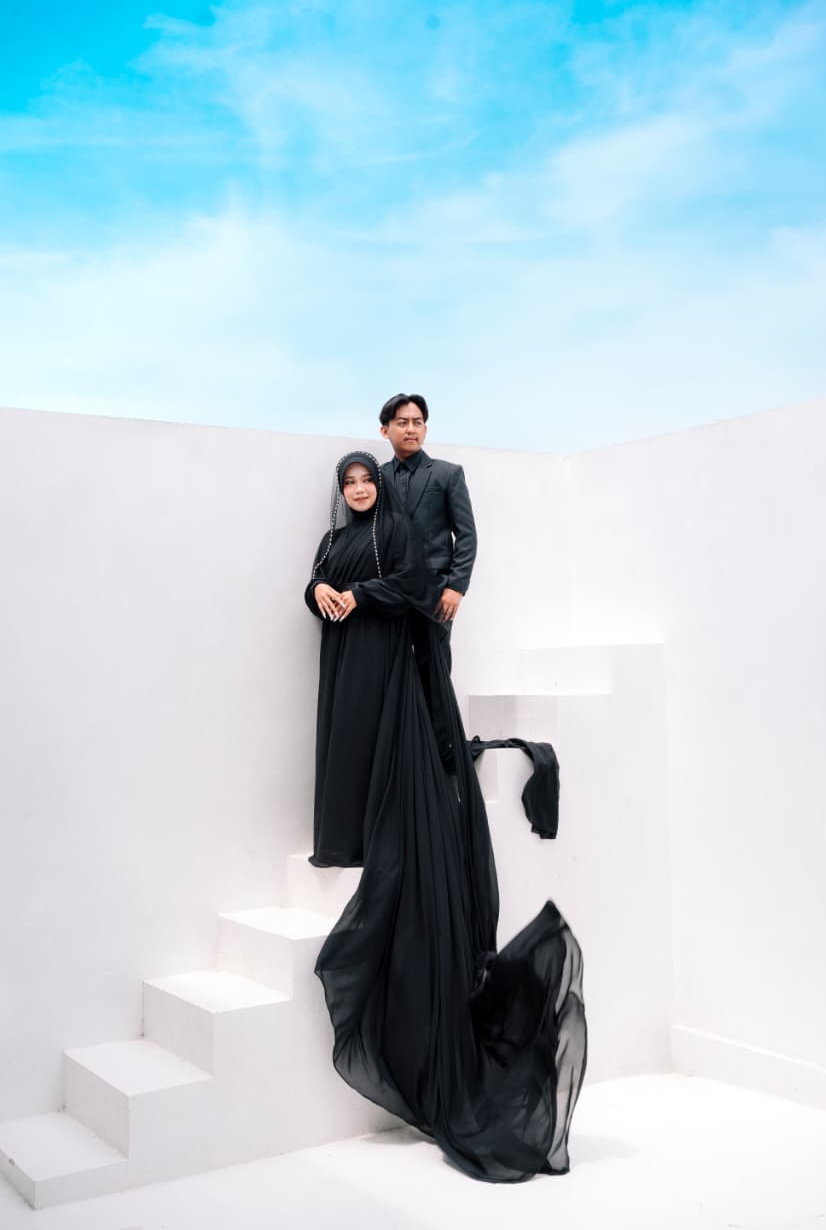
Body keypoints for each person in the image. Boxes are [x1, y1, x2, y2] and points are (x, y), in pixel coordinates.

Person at [304, 450, 587, 1182]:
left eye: (365, 481)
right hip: (346, 657)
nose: (358, 489)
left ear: (377, 485)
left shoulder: (396, 528)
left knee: (383, 748)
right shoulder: (335, 537)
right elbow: (314, 584)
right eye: (349, 483)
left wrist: (356, 598)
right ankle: (348, 832)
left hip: (384, 657)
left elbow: (413, 584)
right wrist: (321, 593)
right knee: (347, 743)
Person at [379, 393, 476, 673]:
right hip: (390, 590)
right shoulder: (378, 478)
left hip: (436, 592)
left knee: (434, 671)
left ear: (425, 428)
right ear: (385, 430)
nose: (411, 429)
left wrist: (456, 587)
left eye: (417, 422)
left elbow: (467, 535)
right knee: (395, 672)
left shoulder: (447, 474)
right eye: (402, 422)